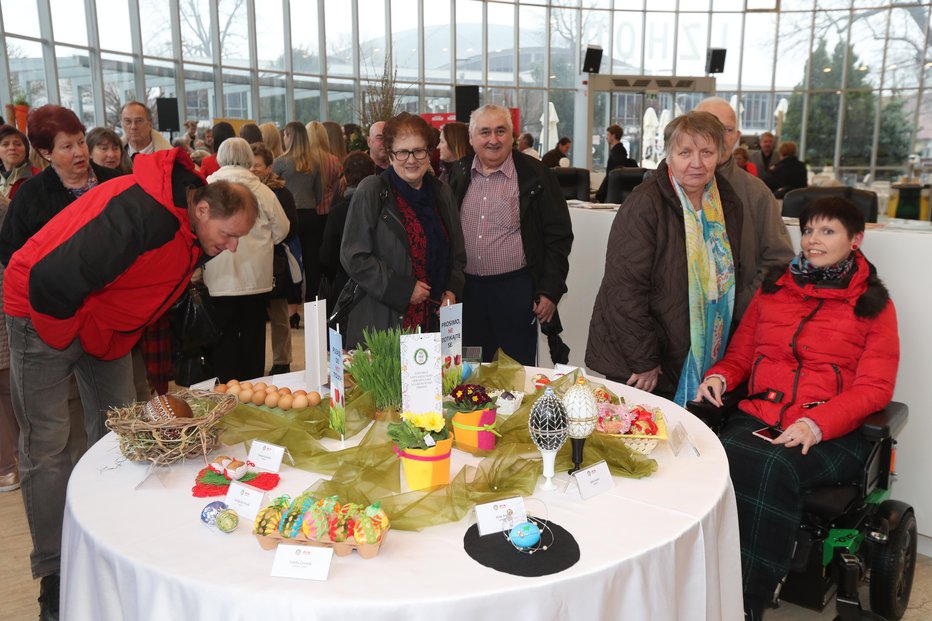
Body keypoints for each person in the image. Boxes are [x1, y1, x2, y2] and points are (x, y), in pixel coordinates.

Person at [5, 148, 256, 621]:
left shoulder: (186, 225)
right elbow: (52, 278)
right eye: (229, 235)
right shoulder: (144, 211)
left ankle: (114, 540)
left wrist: (104, 331)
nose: (232, 246)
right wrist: (74, 336)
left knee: (123, 431)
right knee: (48, 445)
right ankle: (55, 575)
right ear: (202, 210)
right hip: (42, 311)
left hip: (98, 321)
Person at [696, 197, 899, 620]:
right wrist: (720, 375)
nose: (813, 240)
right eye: (808, 230)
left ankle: (748, 600)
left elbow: (875, 388)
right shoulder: (775, 290)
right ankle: (705, 581)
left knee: (773, 467)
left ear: (855, 240)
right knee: (714, 457)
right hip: (762, 415)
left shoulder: (872, 305)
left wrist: (817, 423)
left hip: (832, 431)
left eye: (828, 231)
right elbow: (742, 354)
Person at [586, 111, 744, 404]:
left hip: (695, 359)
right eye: (685, 152)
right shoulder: (645, 204)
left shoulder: (728, 202)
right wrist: (644, 359)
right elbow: (624, 291)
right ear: (669, 155)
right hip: (644, 365)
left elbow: (734, 275)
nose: (697, 163)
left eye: (706, 152)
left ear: (720, 155)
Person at [447, 104, 574, 365]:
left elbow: (558, 237)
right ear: (471, 139)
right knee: (471, 370)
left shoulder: (536, 175)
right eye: (485, 132)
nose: (493, 140)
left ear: (512, 136)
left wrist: (550, 291)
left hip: (515, 292)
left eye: (500, 131)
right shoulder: (457, 174)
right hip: (467, 294)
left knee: (517, 373)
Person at [340, 112, 466, 349]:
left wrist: (452, 290)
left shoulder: (441, 192)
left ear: (429, 152)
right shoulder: (373, 190)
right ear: (389, 154)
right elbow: (354, 257)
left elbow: (457, 254)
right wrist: (404, 289)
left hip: (434, 324)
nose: (411, 159)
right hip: (384, 322)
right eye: (402, 152)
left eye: (419, 151)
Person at [694, 97, 794, 320]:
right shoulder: (663, 189)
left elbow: (779, 261)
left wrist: (738, 307)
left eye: (726, 129)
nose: (717, 137)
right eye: (707, 125)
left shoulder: (756, 193)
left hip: (738, 327)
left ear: (737, 137)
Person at [204, 138, 289, 382]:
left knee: (223, 340)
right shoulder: (263, 191)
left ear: (219, 157)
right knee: (253, 337)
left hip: (217, 279)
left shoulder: (207, 188)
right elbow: (282, 230)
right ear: (249, 159)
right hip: (256, 279)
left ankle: (226, 392)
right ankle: (252, 388)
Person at [0, 106, 123, 265]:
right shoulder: (31, 194)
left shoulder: (116, 181)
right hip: (60, 287)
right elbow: (11, 252)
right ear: (46, 153)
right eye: (67, 147)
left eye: (81, 142)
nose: (79, 152)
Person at [251, 142, 301, 374]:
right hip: (250, 264)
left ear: (269, 167)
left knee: (279, 315)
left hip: (275, 263)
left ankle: (282, 360)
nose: (253, 170)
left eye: (258, 166)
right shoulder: (242, 191)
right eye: (249, 165)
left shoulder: (281, 193)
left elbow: (290, 227)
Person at [320, 150, 375, 327]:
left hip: (344, 286)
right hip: (376, 285)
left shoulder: (338, 212)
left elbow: (327, 256)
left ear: (345, 174)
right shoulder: (381, 208)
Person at [273, 122, 322, 305]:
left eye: (285, 135)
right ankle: (313, 303)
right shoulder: (314, 163)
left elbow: (272, 191)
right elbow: (318, 194)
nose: (283, 139)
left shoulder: (280, 162)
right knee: (312, 263)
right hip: (310, 215)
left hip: (289, 216)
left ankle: (292, 304)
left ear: (289, 137)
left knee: (291, 260)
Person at [0, 124, 41, 207]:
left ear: (26, 150)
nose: (12, 148)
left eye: (18, 144)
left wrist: (10, 206)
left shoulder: (38, 177)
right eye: (5, 144)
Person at [595, 124, 630, 202]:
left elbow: (613, 172)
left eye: (608, 135)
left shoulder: (617, 152)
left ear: (613, 136)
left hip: (613, 188)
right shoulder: (619, 150)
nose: (606, 137)